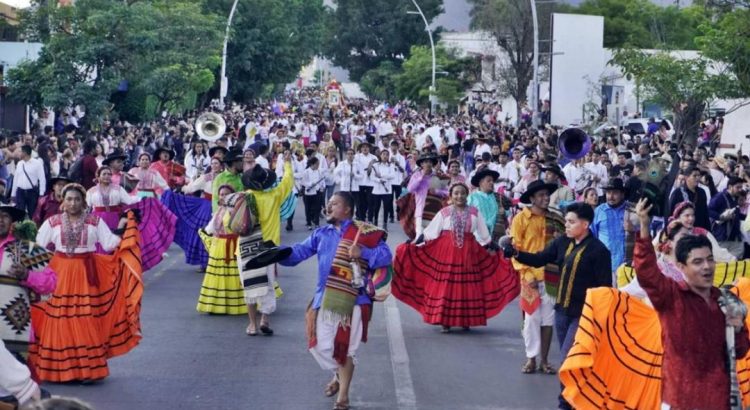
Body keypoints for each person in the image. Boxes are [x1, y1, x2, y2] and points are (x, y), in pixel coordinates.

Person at [633, 198, 749, 409]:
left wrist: (739, 328)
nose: (707, 267)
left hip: (717, 398)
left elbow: (740, 351)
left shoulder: (726, 301)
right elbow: (646, 273)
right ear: (680, 266)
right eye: (697, 262)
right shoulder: (671, 296)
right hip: (680, 399)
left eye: (709, 260)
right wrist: (643, 227)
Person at [280, 192, 392, 410]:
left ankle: (343, 396)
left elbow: (386, 256)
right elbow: (298, 252)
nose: (328, 207)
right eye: (328, 204)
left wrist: (364, 252)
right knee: (320, 347)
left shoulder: (365, 232)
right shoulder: (321, 233)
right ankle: (339, 374)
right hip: (325, 297)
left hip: (355, 300)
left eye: (334, 204)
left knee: (345, 348)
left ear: (347, 209)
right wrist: (275, 254)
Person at [30, 183, 142, 382]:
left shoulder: (94, 221)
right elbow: (38, 247)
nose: (73, 203)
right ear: (63, 202)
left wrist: (125, 226)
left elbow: (109, 244)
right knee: (59, 318)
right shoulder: (52, 222)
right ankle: (59, 370)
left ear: (84, 202)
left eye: (77, 199)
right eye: (69, 199)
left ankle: (86, 370)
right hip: (60, 274)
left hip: (86, 274)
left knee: (85, 318)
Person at [507, 202, 612, 410]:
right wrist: (516, 253)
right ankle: (578, 398)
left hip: (582, 315)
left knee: (567, 359)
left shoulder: (599, 251)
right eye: (566, 221)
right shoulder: (562, 242)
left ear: (585, 224)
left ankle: (566, 403)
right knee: (574, 361)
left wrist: (600, 320)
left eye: (571, 222)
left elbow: (605, 289)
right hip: (562, 312)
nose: (566, 225)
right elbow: (539, 259)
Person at [393, 183, 519, 332]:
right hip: (445, 253)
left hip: (469, 254)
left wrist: (497, 250)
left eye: (463, 193)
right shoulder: (444, 213)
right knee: (446, 286)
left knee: (467, 287)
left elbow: (485, 237)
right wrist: (413, 243)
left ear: (467, 195)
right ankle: (445, 321)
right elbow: (430, 233)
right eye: (456, 193)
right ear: (451, 196)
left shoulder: (474, 213)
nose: (459, 196)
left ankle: (466, 320)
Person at [509, 179, 566, 375]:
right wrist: (527, 273)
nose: (545, 198)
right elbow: (515, 249)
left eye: (546, 194)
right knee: (532, 318)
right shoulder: (520, 219)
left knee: (548, 320)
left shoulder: (557, 219)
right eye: (541, 195)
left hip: (552, 276)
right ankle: (530, 358)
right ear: (532, 198)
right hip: (529, 275)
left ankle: (545, 360)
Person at [0, 206, 55, 407]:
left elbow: (51, 282)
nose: (0, 220)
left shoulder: (27, 250)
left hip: (15, 327)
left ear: (12, 222)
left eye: (4, 216)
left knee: (11, 389)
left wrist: (26, 275)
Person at [238, 152, 294, 335]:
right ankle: (265, 319)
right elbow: (288, 181)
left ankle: (252, 324)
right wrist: (286, 163)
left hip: (246, 246)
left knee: (250, 285)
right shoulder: (275, 195)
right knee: (269, 284)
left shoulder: (244, 198)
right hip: (269, 246)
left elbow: (228, 224)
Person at [196, 185, 247, 316]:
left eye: (226, 194)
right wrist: (205, 231)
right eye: (221, 194)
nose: (223, 196)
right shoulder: (220, 210)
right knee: (218, 276)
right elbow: (211, 228)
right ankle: (216, 305)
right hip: (219, 246)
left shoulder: (236, 209)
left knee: (234, 276)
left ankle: (236, 304)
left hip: (233, 245)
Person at [591, 178, 629, 277]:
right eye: (608, 192)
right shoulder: (599, 211)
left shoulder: (631, 210)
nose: (610, 196)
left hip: (628, 265)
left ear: (622, 194)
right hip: (605, 265)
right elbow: (592, 237)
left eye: (615, 193)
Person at [467, 167, 508, 242]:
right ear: (480, 183)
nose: (492, 183)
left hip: (497, 235)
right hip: (479, 237)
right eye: (488, 181)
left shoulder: (499, 197)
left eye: (492, 181)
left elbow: (509, 215)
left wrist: (504, 212)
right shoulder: (472, 198)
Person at [709, 176, 745, 258]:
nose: (740, 190)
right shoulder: (719, 197)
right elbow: (709, 211)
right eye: (738, 187)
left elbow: (737, 214)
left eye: (741, 187)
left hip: (734, 237)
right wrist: (721, 217)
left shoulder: (735, 198)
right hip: (722, 237)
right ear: (730, 187)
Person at [12, 145, 46, 218]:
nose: (18, 153)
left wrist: (41, 194)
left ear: (25, 153)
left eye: (20, 152)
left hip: (32, 192)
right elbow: (16, 179)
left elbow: (42, 179)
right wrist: (13, 193)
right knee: (19, 213)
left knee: (32, 213)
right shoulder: (19, 163)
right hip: (20, 191)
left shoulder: (37, 163)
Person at [367, 149, 395, 229]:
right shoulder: (375, 165)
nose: (385, 156)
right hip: (377, 190)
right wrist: (379, 180)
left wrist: (382, 176)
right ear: (380, 155)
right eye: (383, 154)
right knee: (376, 206)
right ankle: (375, 220)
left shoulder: (391, 166)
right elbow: (372, 177)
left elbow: (392, 175)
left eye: (387, 155)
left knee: (386, 207)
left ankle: (385, 222)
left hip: (387, 190)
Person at [302, 157, 326, 230]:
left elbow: (322, 181)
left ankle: (317, 223)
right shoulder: (306, 172)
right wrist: (311, 184)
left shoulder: (319, 171)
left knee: (317, 208)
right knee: (308, 209)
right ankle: (309, 223)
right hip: (309, 193)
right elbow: (303, 182)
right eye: (317, 164)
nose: (318, 165)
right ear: (312, 164)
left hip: (317, 192)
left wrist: (322, 187)